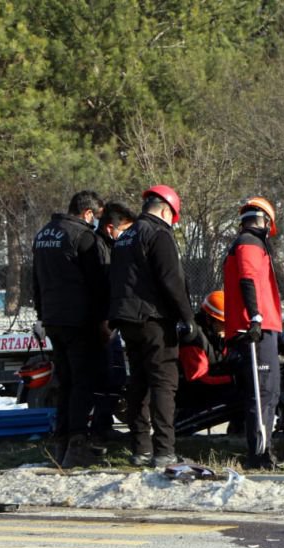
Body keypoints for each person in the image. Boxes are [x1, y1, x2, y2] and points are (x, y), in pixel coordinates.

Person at [108, 185, 195, 468]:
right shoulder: (158, 233)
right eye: (174, 217)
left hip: (127, 321)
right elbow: (172, 281)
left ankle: (141, 449)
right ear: (166, 210)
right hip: (154, 320)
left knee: (138, 384)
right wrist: (187, 318)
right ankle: (164, 451)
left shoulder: (125, 236)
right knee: (163, 383)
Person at [31, 190, 108, 468]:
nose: (96, 221)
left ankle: (60, 441)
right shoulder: (83, 236)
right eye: (96, 216)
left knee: (65, 382)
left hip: (53, 320)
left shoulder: (43, 235)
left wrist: (42, 314)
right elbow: (98, 284)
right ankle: (77, 444)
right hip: (80, 321)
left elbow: (36, 280)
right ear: (88, 213)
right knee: (82, 383)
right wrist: (103, 320)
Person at [223, 197, 282, 469]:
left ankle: (263, 452)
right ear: (264, 221)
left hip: (258, 327)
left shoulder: (247, 242)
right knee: (263, 394)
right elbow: (247, 278)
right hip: (255, 329)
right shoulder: (249, 242)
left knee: (267, 392)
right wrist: (255, 318)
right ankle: (259, 455)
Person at [89, 202, 137, 449]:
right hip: (103, 323)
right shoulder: (100, 249)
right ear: (111, 228)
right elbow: (101, 288)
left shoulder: (104, 246)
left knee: (113, 377)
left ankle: (102, 426)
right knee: (109, 377)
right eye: (125, 230)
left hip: (107, 321)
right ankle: (100, 430)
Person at [176, 291, 241, 430]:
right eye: (223, 323)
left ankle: (238, 431)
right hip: (192, 395)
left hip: (210, 385)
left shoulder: (217, 334)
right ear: (209, 319)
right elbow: (199, 379)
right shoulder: (193, 339)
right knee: (242, 394)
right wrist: (234, 378)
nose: (227, 327)